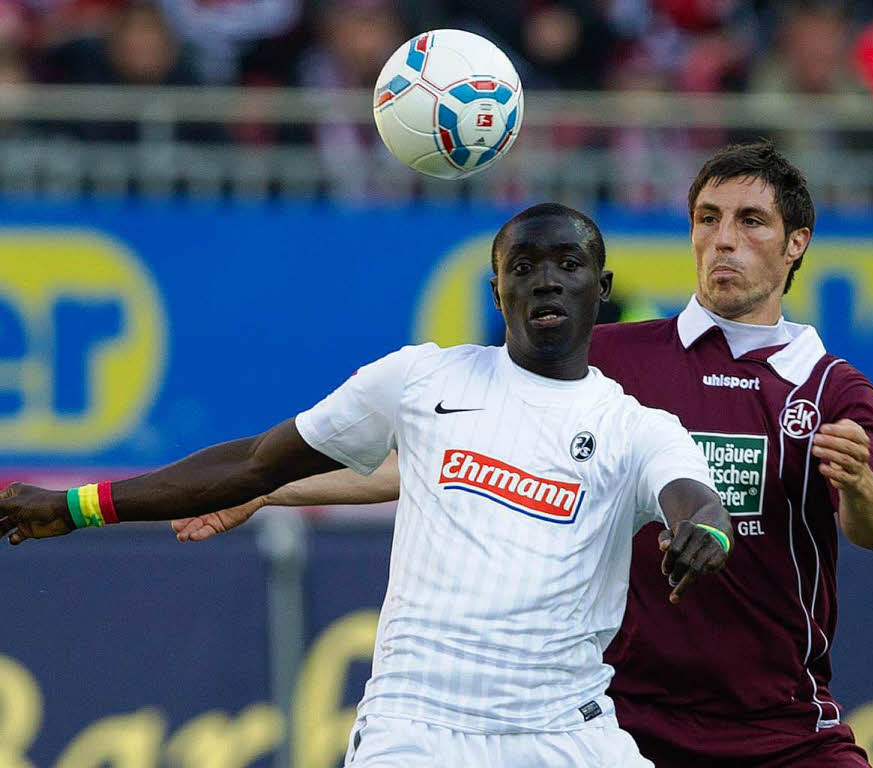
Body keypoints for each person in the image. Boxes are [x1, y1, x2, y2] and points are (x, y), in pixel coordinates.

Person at [174, 142, 873, 767]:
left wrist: (858, 482)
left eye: (752, 221)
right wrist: (270, 489)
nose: (725, 238)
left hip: (779, 727)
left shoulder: (832, 390)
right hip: (620, 718)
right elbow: (441, 460)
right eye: (708, 218)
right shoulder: (609, 356)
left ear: (797, 243)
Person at [0, 203, 734, 768]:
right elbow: (258, 460)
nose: (546, 278)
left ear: (599, 287)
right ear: (497, 286)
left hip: (562, 733)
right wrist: (78, 505)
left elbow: (696, 501)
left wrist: (700, 531)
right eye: (525, 264)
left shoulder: (638, 426)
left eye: (568, 263)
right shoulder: (421, 381)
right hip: (415, 729)